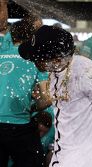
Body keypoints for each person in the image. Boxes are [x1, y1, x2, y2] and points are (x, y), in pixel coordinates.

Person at [18, 25, 92, 167]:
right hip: (63, 155)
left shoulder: (86, 71)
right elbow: (63, 102)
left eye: (37, 59)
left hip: (84, 160)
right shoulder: (56, 70)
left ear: (55, 59)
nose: (34, 62)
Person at [0, 2, 51, 166]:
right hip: (20, 127)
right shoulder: (37, 59)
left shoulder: (2, 50)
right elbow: (47, 99)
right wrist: (34, 106)